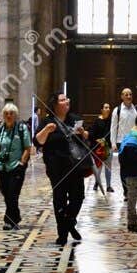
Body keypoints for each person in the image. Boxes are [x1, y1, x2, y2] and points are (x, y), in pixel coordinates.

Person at [35, 93, 91, 247]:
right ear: (55, 104)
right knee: (59, 199)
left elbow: (85, 138)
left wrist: (83, 133)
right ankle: (63, 233)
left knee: (78, 197)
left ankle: (69, 222)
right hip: (56, 168)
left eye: (67, 98)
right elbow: (38, 141)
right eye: (63, 99)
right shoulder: (47, 121)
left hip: (75, 166)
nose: (67, 101)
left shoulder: (74, 119)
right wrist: (46, 130)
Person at [0, 102, 33, 229]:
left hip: (16, 166)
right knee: (5, 192)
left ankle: (9, 220)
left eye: (11, 114)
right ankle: (16, 216)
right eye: (6, 114)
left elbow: (27, 147)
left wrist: (22, 163)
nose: (8, 116)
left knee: (12, 193)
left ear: (15, 115)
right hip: (2, 167)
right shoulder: (1, 129)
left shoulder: (21, 129)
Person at [108, 87, 137, 195]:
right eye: (126, 94)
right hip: (121, 142)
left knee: (134, 167)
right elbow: (113, 127)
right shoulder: (117, 110)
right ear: (122, 96)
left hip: (135, 142)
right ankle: (126, 191)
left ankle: (133, 190)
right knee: (124, 167)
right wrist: (113, 143)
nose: (129, 96)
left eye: (130, 94)